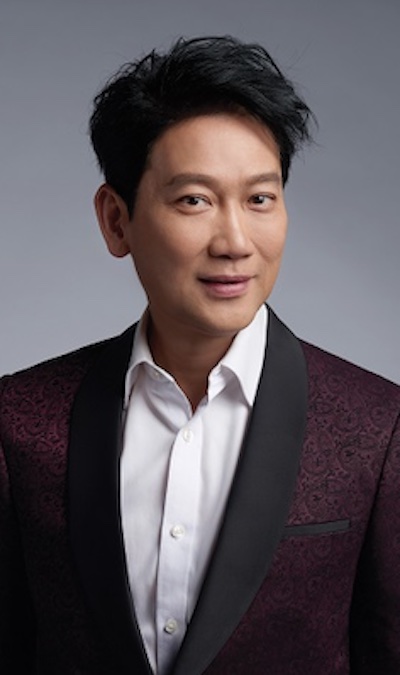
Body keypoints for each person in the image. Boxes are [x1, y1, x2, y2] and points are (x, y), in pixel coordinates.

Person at [0, 36, 399, 675]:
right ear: (117, 221)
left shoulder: (378, 426)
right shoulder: (19, 418)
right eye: (195, 200)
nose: (235, 241)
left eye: (260, 198)